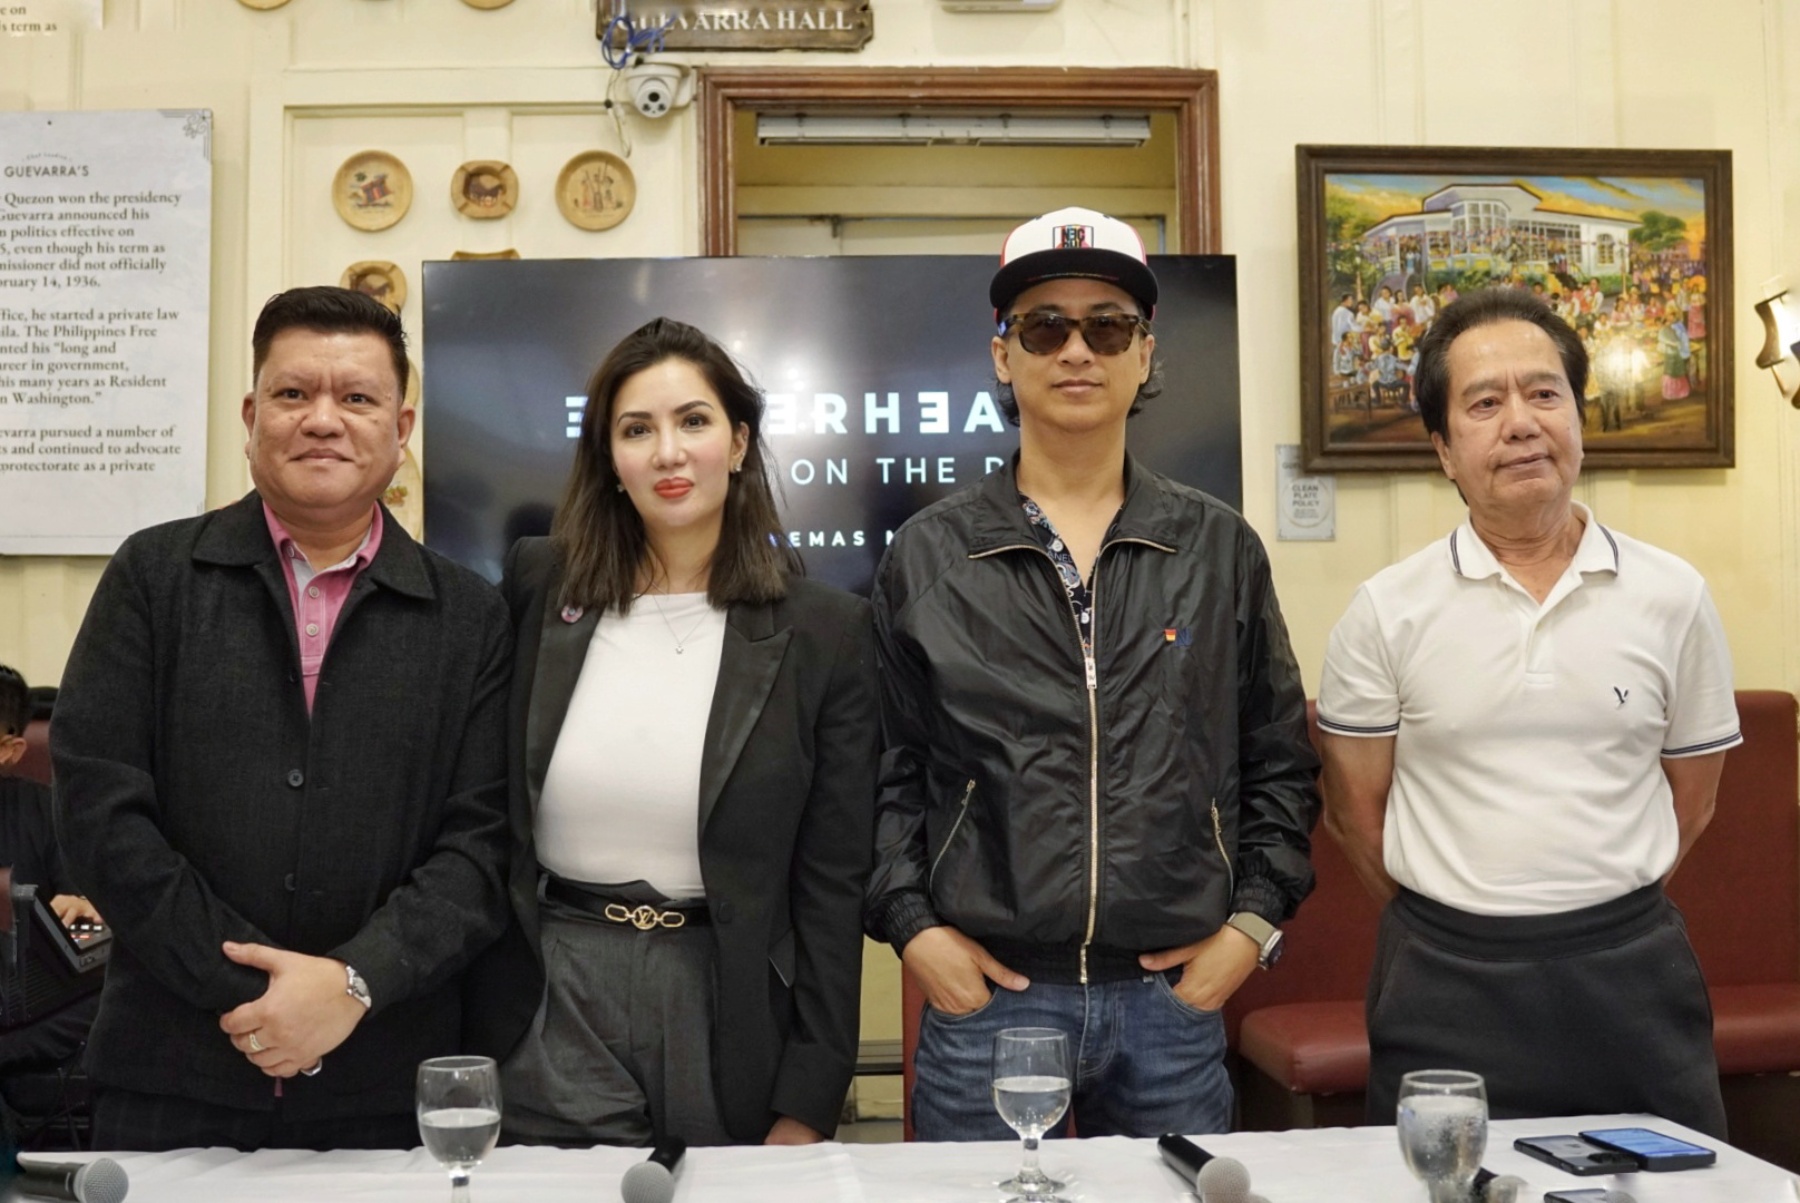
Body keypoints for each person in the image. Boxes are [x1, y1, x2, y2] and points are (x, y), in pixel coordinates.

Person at [864, 206, 1319, 1140]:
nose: (1078, 349)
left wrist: (1251, 931)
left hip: (1171, 1003)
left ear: (1145, 354)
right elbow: (881, 769)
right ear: (1004, 355)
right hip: (989, 999)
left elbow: (1278, 759)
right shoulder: (929, 553)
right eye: (1045, 326)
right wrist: (913, 928)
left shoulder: (1217, 547)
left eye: (1107, 325)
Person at [51, 286, 512, 1152]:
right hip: (172, 1072)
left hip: (391, 1081)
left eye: (359, 397)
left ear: (402, 425)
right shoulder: (154, 577)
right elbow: (99, 811)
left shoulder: (471, 614)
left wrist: (352, 982)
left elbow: (481, 845)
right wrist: (252, 991)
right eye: (295, 394)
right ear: (252, 412)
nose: (324, 420)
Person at [1318, 288, 1738, 1137]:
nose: (1521, 422)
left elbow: (1694, 800)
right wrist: (1461, 918)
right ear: (1442, 447)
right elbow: (1353, 811)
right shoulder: (1385, 609)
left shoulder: (1674, 595)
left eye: (1545, 394)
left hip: (1632, 975)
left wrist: (1593, 904)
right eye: (1484, 402)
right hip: (1444, 980)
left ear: (1580, 417)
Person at [466, 317, 876, 1148]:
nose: (667, 452)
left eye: (693, 421)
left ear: (739, 441)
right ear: (608, 460)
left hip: (727, 994)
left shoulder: (825, 631)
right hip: (558, 984)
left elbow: (831, 884)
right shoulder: (539, 584)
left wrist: (808, 1095)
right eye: (636, 429)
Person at [0, 666, 102, 1087]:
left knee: (122, 987)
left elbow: (89, 930)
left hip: (23, 1001)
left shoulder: (47, 812)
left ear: (10, 749)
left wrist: (87, 914)